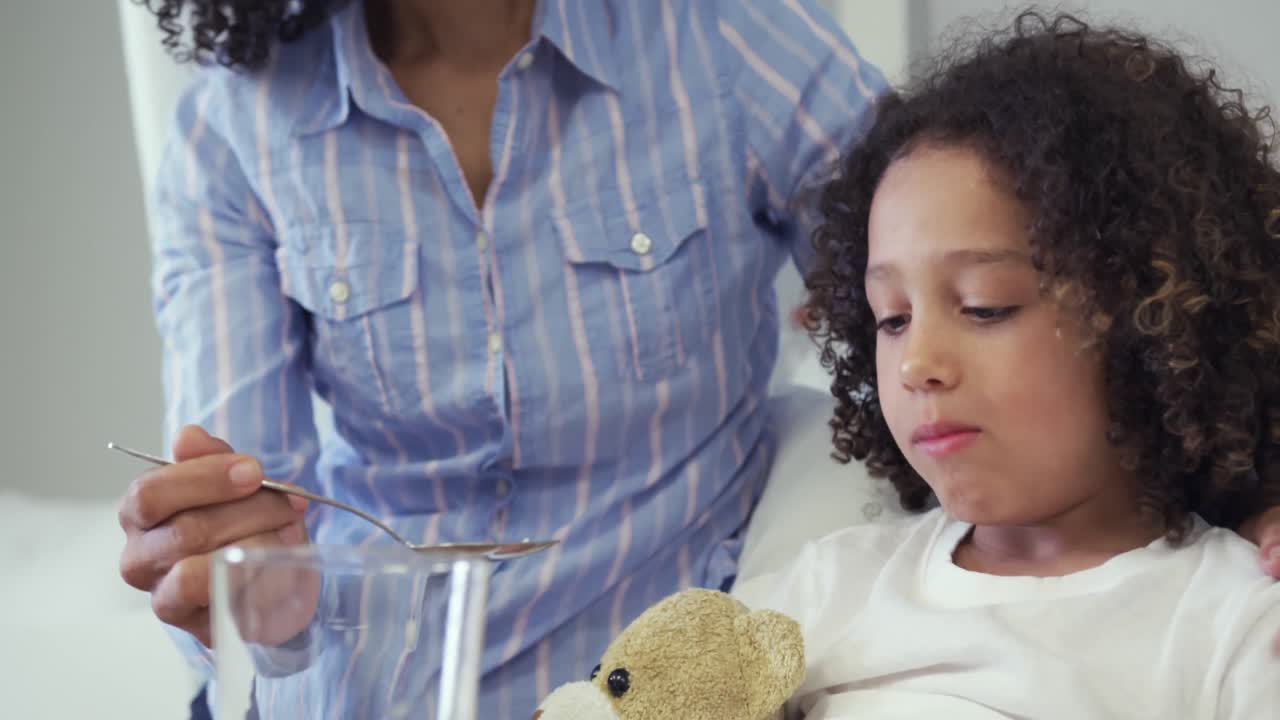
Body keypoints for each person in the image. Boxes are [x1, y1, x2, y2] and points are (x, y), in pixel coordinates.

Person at [114, 0, 889, 717]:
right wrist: (233, 587)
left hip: (627, 688)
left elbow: (951, 276)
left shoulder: (732, 40)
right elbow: (240, 555)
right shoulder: (229, 130)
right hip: (355, 692)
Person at [733, 10, 1280, 718]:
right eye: (892, 319)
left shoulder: (1231, 623)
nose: (917, 363)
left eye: (985, 307)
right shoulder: (823, 590)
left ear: (1151, 317)